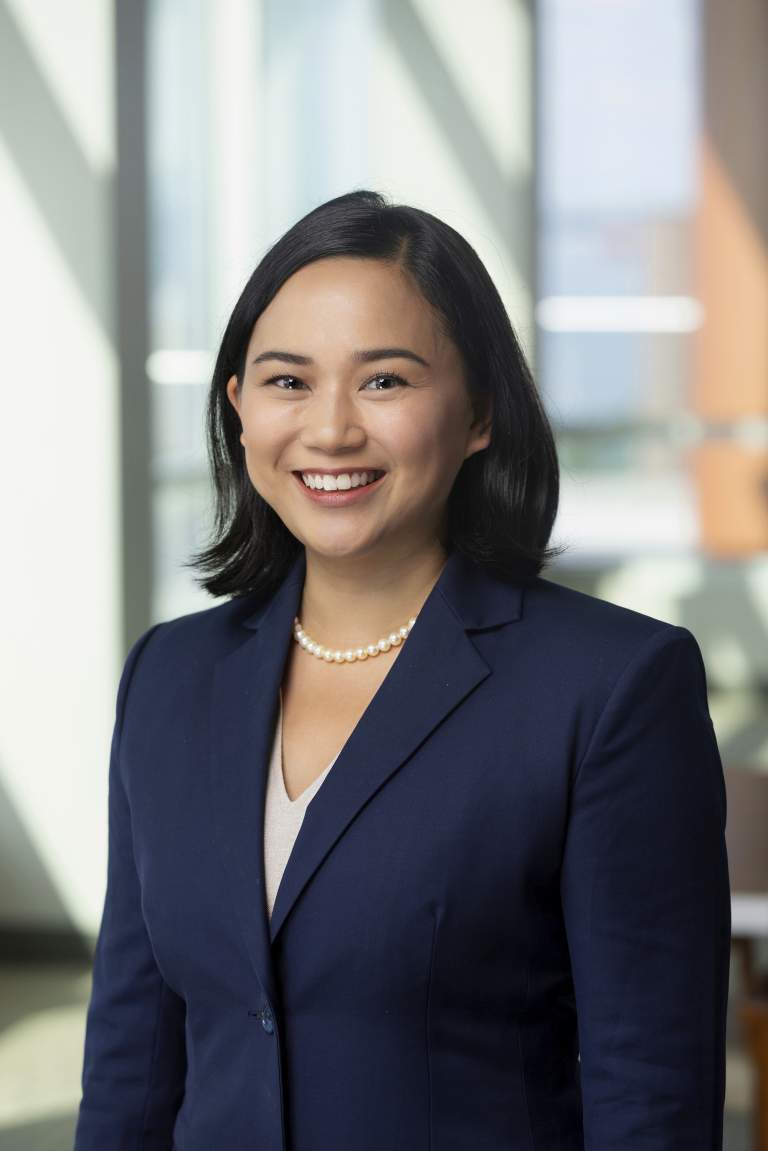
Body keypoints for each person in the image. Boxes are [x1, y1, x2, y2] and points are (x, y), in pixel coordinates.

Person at [74, 189, 731, 1150]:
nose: (331, 430)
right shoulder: (171, 675)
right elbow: (133, 1056)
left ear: (478, 413)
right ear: (239, 409)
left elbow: (651, 1092)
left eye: (384, 381)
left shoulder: (612, 688)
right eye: (288, 381)